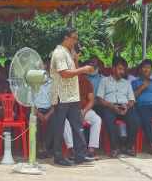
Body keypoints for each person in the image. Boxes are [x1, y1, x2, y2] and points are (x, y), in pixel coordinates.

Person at [46, 28, 94, 167]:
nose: (76, 41)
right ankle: (58, 156)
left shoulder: (68, 52)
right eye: (74, 38)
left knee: (77, 125)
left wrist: (77, 61)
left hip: (72, 95)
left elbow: (75, 72)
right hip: (62, 95)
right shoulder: (59, 53)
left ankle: (80, 155)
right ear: (66, 38)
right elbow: (65, 74)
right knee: (59, 127)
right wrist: (84, 69)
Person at [96, 58, 140, 157]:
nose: (122, 72)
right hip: (109, 106)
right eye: (120, 69)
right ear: (113, 68)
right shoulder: (104, 81)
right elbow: (99, 99)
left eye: (124, 70)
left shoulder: (126, 83)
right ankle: (115, 148)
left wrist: (127, 107)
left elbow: (132, 100)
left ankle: (128, 147)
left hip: (125, 106)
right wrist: (111, 106)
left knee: (135, 120)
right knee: (108, 120)